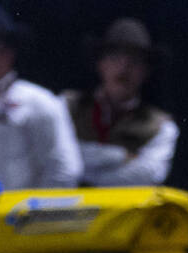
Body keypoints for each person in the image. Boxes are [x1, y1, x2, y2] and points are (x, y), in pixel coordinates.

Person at [62, 18, 178, 187]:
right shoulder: (65, 106)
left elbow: (147, 176)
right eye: (115, 57)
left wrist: (83, 174)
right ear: (100, 64)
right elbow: (56, 157)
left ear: (146, 71)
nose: (124, 67)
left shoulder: (161, 126)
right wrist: (120, 156)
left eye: (135, 60)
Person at [0, 4, 81, 189]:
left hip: (19, 215)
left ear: (9, 52)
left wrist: (32, 213)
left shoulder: (38, 103)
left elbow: (64, 172)